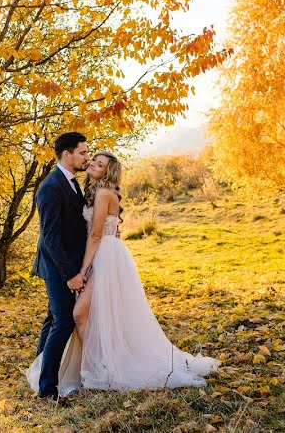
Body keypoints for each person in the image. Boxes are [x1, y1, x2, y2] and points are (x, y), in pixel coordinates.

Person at [27, 150, 220, 397]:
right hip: (97, 254)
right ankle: (90, 365)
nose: (92, 163)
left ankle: (99, 368)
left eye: (98, 163)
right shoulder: (90, 191)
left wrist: (82, 271)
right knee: (83, 314)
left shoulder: (104, 193)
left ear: (108, 171)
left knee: (79, 313)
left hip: (104, 256)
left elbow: (97, 234)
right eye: (91, 159)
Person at [30, 132, 90, 403]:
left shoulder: (71, 182)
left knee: (53, 319)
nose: (86, 158)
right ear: (67, 155)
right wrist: (69, 276)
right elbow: (51, 237)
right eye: (83, 153)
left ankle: (37, 372)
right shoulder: (51, 187)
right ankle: (46, 389)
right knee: (63, 320)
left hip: (66, 264)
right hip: (57, 267)